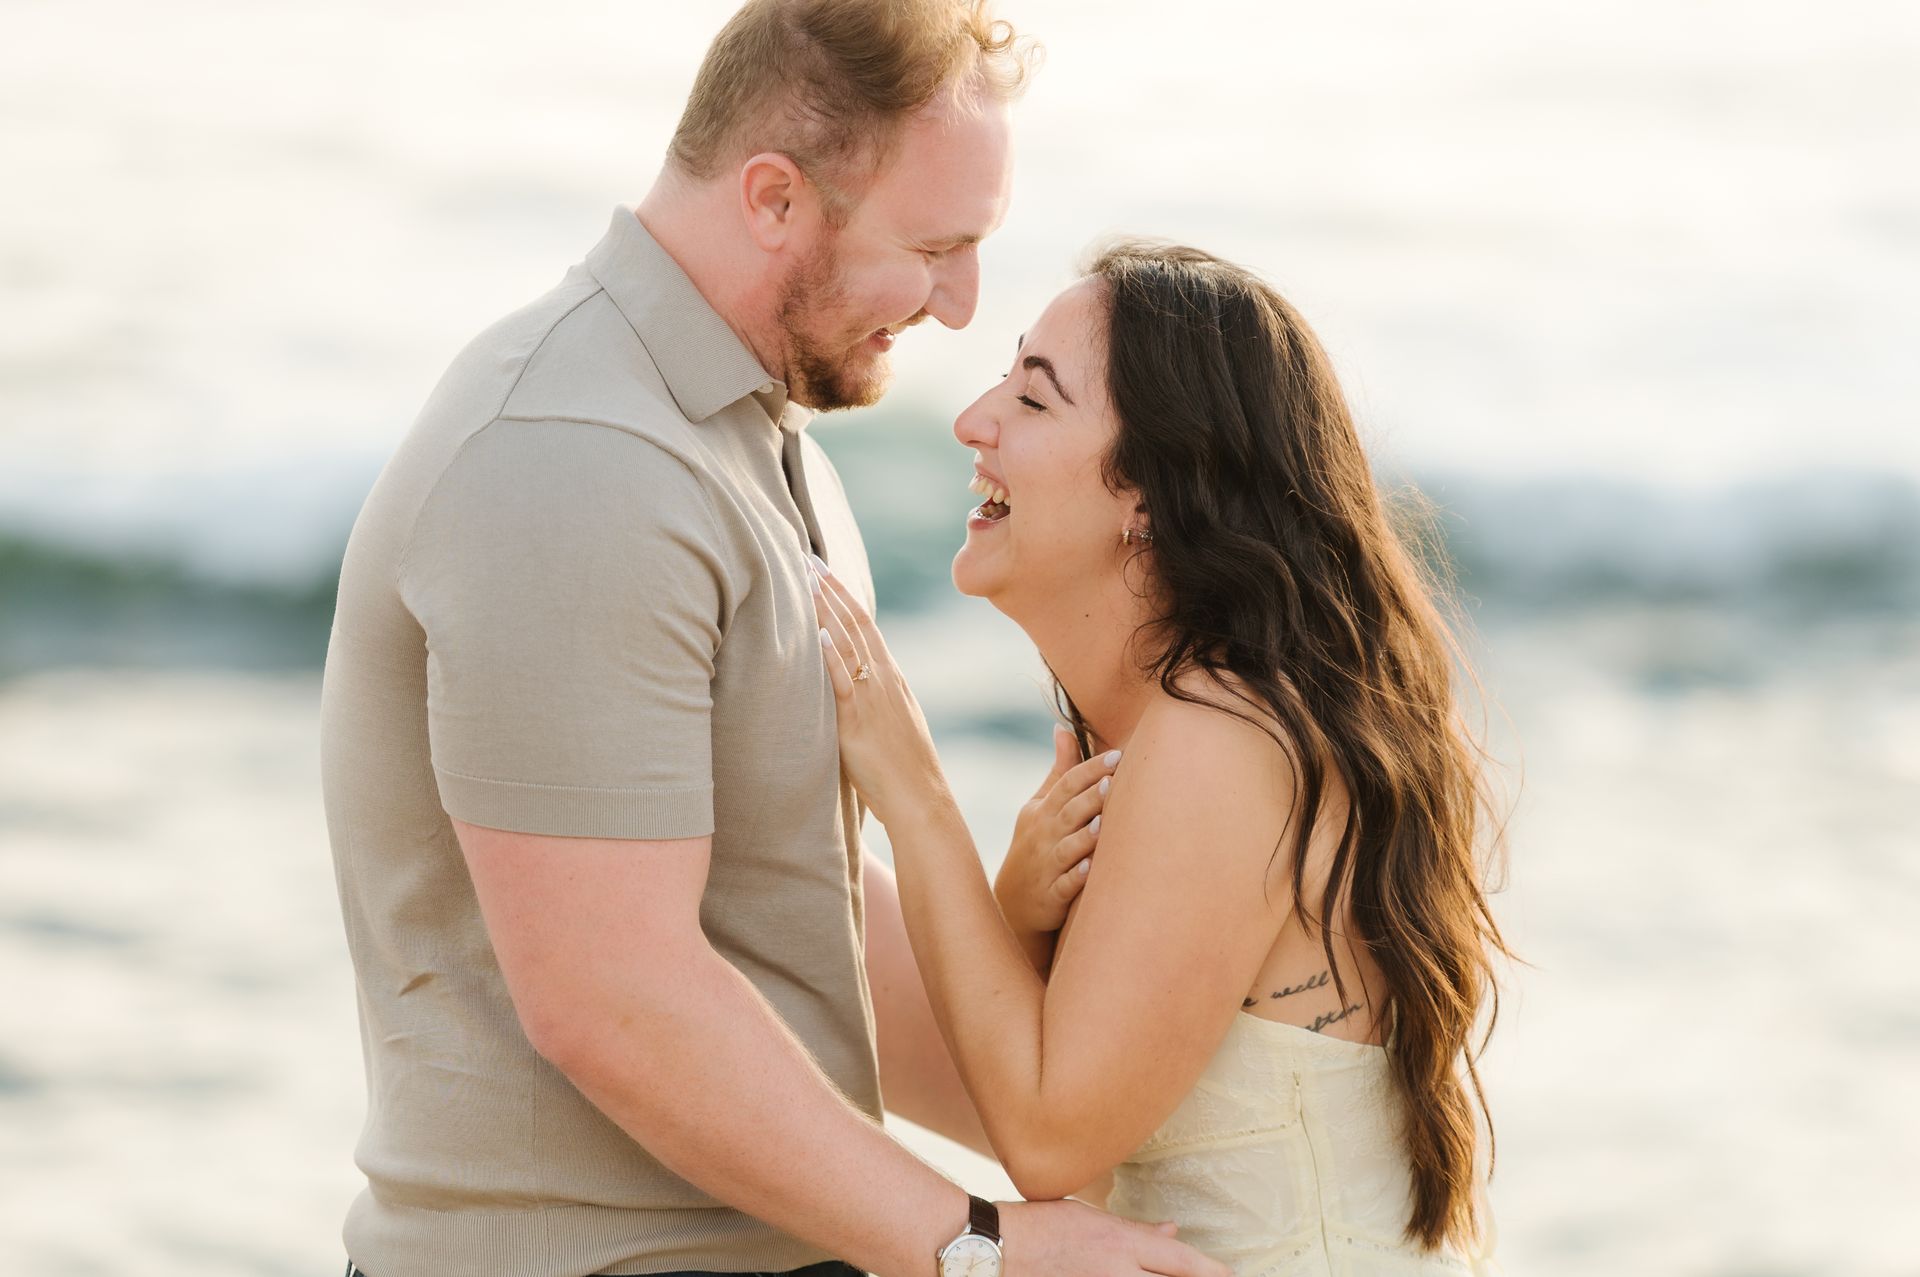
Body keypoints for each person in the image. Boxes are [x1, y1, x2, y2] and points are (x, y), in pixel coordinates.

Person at [318, 3, 1229, 1276]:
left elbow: (784, 908)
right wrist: (977, 1247)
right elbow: (612, 997)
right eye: (934, 246)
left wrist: (1131, 1118)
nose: (964, 306)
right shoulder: (578, 455)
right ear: (773, 200)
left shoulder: (744, 434)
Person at [809, 242, 1514, 1274]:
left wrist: (916, 796)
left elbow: (1050, 1140)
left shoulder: (1221, 733)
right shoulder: (1189, 732)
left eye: (1034, 400)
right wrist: (1014, 908)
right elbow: (1076, 1129)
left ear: (1149, 491)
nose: (973, 420)